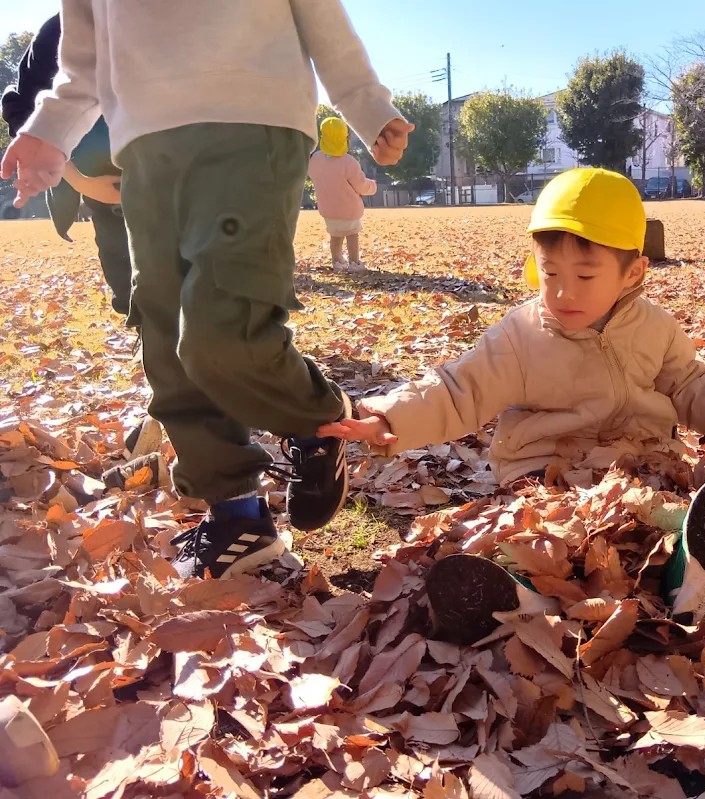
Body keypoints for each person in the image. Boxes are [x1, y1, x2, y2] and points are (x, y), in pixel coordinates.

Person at [2, 0, 415, 580]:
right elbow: (83, 61)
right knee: (165, 338)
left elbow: (320, 15)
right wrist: (47, 133)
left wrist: (368, 106)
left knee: (222, 327)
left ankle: (318, 416)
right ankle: (237, 514)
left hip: (251, 127)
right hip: (144, 148)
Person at [317, 167, 705, 636]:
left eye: (585, 275)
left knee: (663, 515)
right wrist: (390, 415)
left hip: (638, 465)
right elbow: (457, 387)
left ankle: (694, 577)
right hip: (544, 473)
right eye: (550, 272)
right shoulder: (521, 336)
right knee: (534, 538)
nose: (563, 291)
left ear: (631, 272)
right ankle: (514, 594)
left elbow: (687, 380)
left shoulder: (656, 328)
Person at [2, 13, 162, 465]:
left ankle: (178, 398)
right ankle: (164, 390)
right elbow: (23, 101)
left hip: (174, 184)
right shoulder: (63, 25)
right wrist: (76, 176)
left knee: (186, 287)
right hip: (103, 189)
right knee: (131, 291)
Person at [308, 117, 377, 272]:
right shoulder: (348, 162)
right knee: (352, 235)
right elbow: (361, 185)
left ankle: (337, 261)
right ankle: (354, 262)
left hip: (328, 210)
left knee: (335, 235)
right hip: (349, 209)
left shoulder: (315, 160)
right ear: (344, 137)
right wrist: (372, 186)